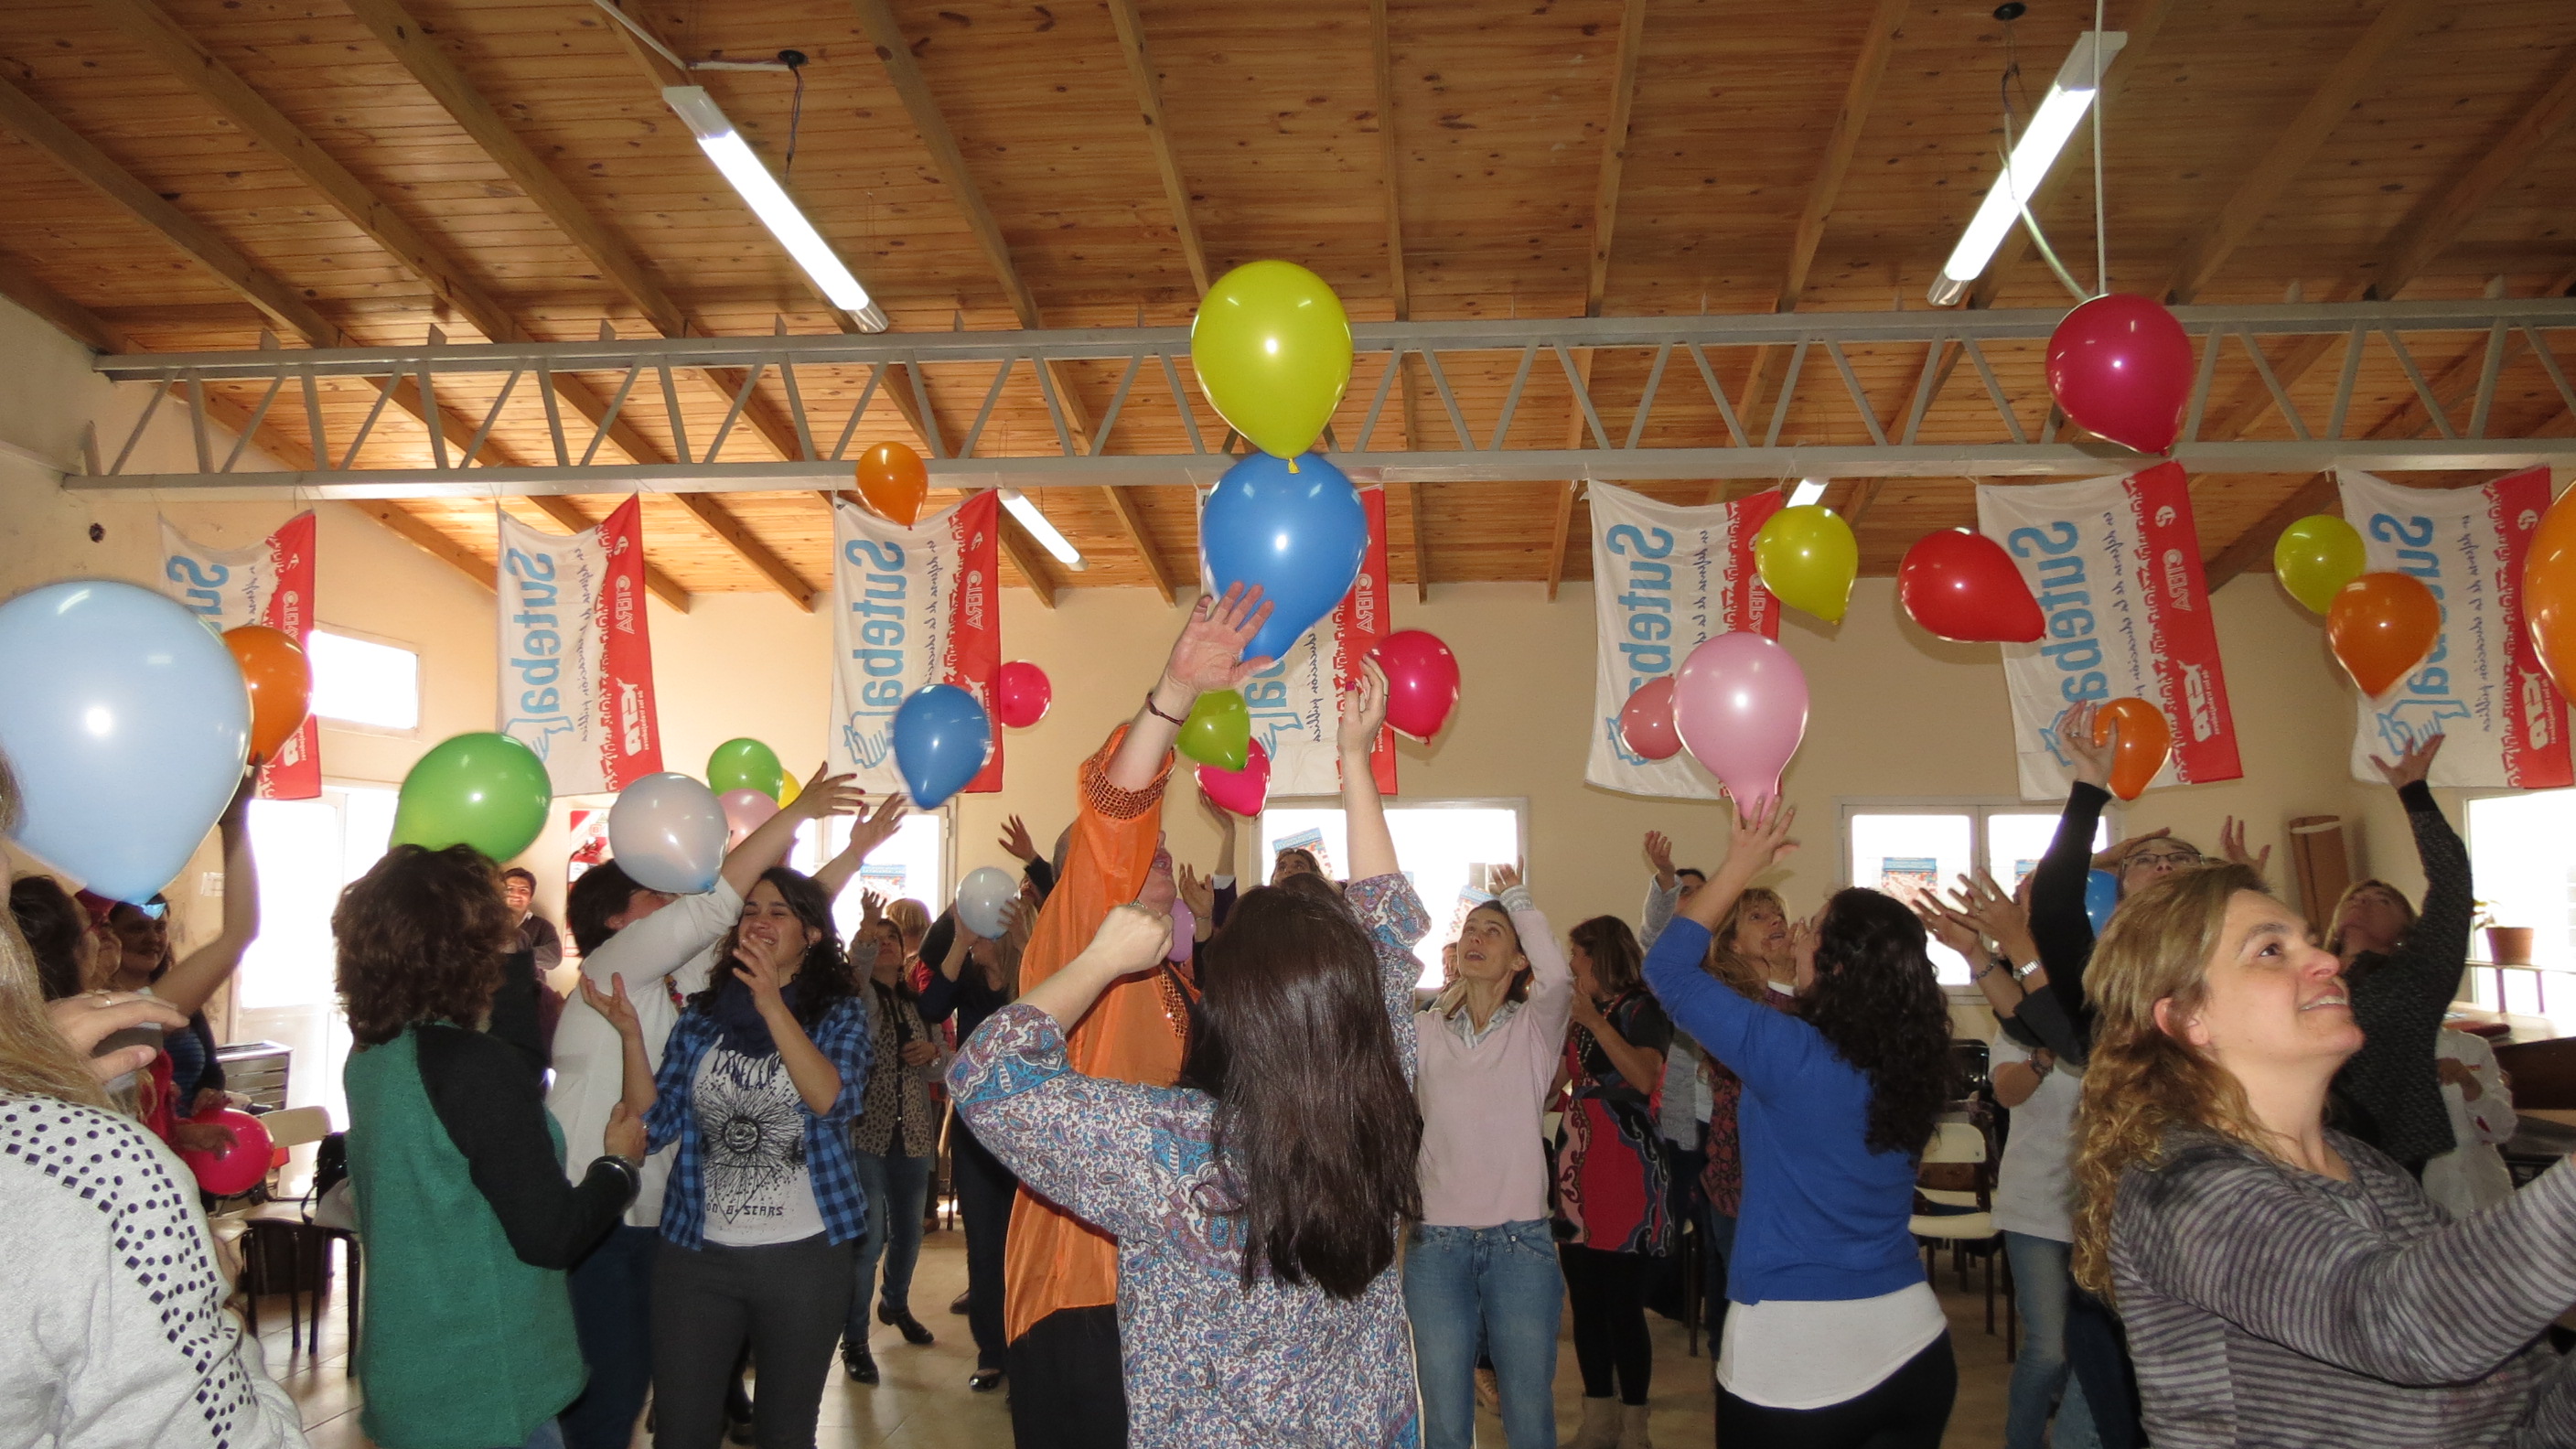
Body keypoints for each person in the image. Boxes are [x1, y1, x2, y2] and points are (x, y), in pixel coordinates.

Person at [951, 658, 1427, 1448]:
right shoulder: (1376, 1106)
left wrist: (1099, 961)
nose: (1164, 853)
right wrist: (1354, 758)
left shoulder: (1178, 1156)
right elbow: (1388, 936)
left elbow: (986, 1074)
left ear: (1236, 1011)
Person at [2071, 861, 2576, 1447]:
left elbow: (2526, 1398)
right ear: (2188, 1018)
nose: (2328, 962)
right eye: (2269, 952)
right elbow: (2404, 1326)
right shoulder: (2181, 1188)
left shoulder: (2367, 1170)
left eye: (2312, 941)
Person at [996, 583, 1278, 1449]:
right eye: (1148, 861)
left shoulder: (1179, 988)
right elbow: (1116, 814)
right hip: (1083, 1290)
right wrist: (1175, 692)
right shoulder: (1081, 950)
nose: (1163, 865)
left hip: (1170, 1293)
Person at [544, 773, 882, 1449]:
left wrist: (850, 856)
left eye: (773, 915)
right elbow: (654, 1118)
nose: (749, 920)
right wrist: (637, 1040)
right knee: (663, 1420)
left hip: (797, 1254)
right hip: (674, 1241)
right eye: (657, 896)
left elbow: (832, 1097)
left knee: (785, 1431)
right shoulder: (676, 993)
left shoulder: (829, 1011)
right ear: (618, 917)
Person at [0, 751, 306, 1449]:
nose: (108, 937)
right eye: (97, 930)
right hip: (126, 1260)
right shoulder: (109, 1051)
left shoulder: (98, 1027)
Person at [1647, 800, 1958, 1449]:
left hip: (1795, 1358)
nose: (1798, 936)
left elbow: (1666, 968)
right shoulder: (1914, 1060)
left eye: (1812, 929)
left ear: (1837, 966)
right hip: (1914, 1343)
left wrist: (1737, 866)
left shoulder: (1789, 1052)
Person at [338, 843, 643, 1449]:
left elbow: (509, 1071)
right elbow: (550, 1235)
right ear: (466, 941)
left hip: (413, 1368)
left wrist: (506, 968)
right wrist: (618, 1165)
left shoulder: (374, 1054)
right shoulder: (469, 1065)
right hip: (481, 1384)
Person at [1917, 881, 2094, 1449]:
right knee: (2049, 1349)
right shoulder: (2020, 1016)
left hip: (2101, 1206)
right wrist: (2047, 1053)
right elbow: (2008, 1092)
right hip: (2036, 1207)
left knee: (2096, 1353)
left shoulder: (2104, 1015)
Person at [1409, 861, 1572, 1449]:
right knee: (1447, 1421)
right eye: (1469, 930)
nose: (1474, 938)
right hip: (1438, 1247)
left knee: (1528, 1415)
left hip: (1519, 1245)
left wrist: (1518, 899)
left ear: (1519, 959)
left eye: (1492, 932)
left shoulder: (1533, 1029)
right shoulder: (1426, 1032)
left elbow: (1559, 977)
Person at [2317, 735, 2471, 1175]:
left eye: (2382, 900)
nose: (2363, 901)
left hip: (2386, 1149)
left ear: (2406, 931)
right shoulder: (2311, 970)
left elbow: (2452, 883)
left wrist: (2415, 794)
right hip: (2306, 1141)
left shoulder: (2418, 975)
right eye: (2356, 895)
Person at [1554, 913, 1670, 1449]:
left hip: (1627, 1162)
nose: (1571, 963)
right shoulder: (1580, 1015)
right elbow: (1555, 1082)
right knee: (1586, 1300)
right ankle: (1597, 1418)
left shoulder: (1642, 1008)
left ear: (1599, 957)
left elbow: (1646, 1078)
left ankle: (1634, 1424)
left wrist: (1595, 1024)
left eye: (1577, 955)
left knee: (1622, 1303)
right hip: (1578, 1159)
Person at [919, 891, 1035, 1393]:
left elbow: (1042, 1013)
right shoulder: (964, 981)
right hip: (975, 1130)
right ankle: (992, 1351)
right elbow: (928, 1004)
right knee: (984, 1244)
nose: (979, 939)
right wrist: (958, 941)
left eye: (990, 931)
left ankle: (1030, 1350)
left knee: (1028, 1246)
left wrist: (1027, 944)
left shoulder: (1032, 979)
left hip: (1031, 1132)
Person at [841, 904, 945, 1384]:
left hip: (915, 1135)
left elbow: (943, 1065)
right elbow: (858, 966)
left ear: (904, 951)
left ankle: (896, 1304)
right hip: (868, 1134)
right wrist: (865, 927)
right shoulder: (856, 997)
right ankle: (855, 1340)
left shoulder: (915, 1003)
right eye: (876, 938)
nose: (884, 944)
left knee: (909, 1231)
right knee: (870, 1241)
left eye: (891, 938)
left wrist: (933, 1054)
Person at [1691, 886, 1797, 1346]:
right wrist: (1783, 987)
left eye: (1777, 914)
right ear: (1732, 942)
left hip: (1797, 1175)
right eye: (1758, 916)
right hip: (1740, 1175)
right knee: (1746, 1305)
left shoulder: (1809, 992)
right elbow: (1758, 1062)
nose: (1775, 921)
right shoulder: (1718, 998)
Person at [2424, 1025, 2517, 1218]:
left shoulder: (2472, 1046)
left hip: (2488, 1192)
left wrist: (2469, 1083)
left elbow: (2501, 1131)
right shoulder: (2379, 1051)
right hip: (2427, 1199)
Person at [501, 866, 566, 1053]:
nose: (516, 895)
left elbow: (554, 958)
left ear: (530, 897)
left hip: (531, 1003)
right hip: (492, 1002)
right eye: (509, 889)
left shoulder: (542, 926)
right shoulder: (488, 924)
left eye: (523, 890)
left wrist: (513, 954)